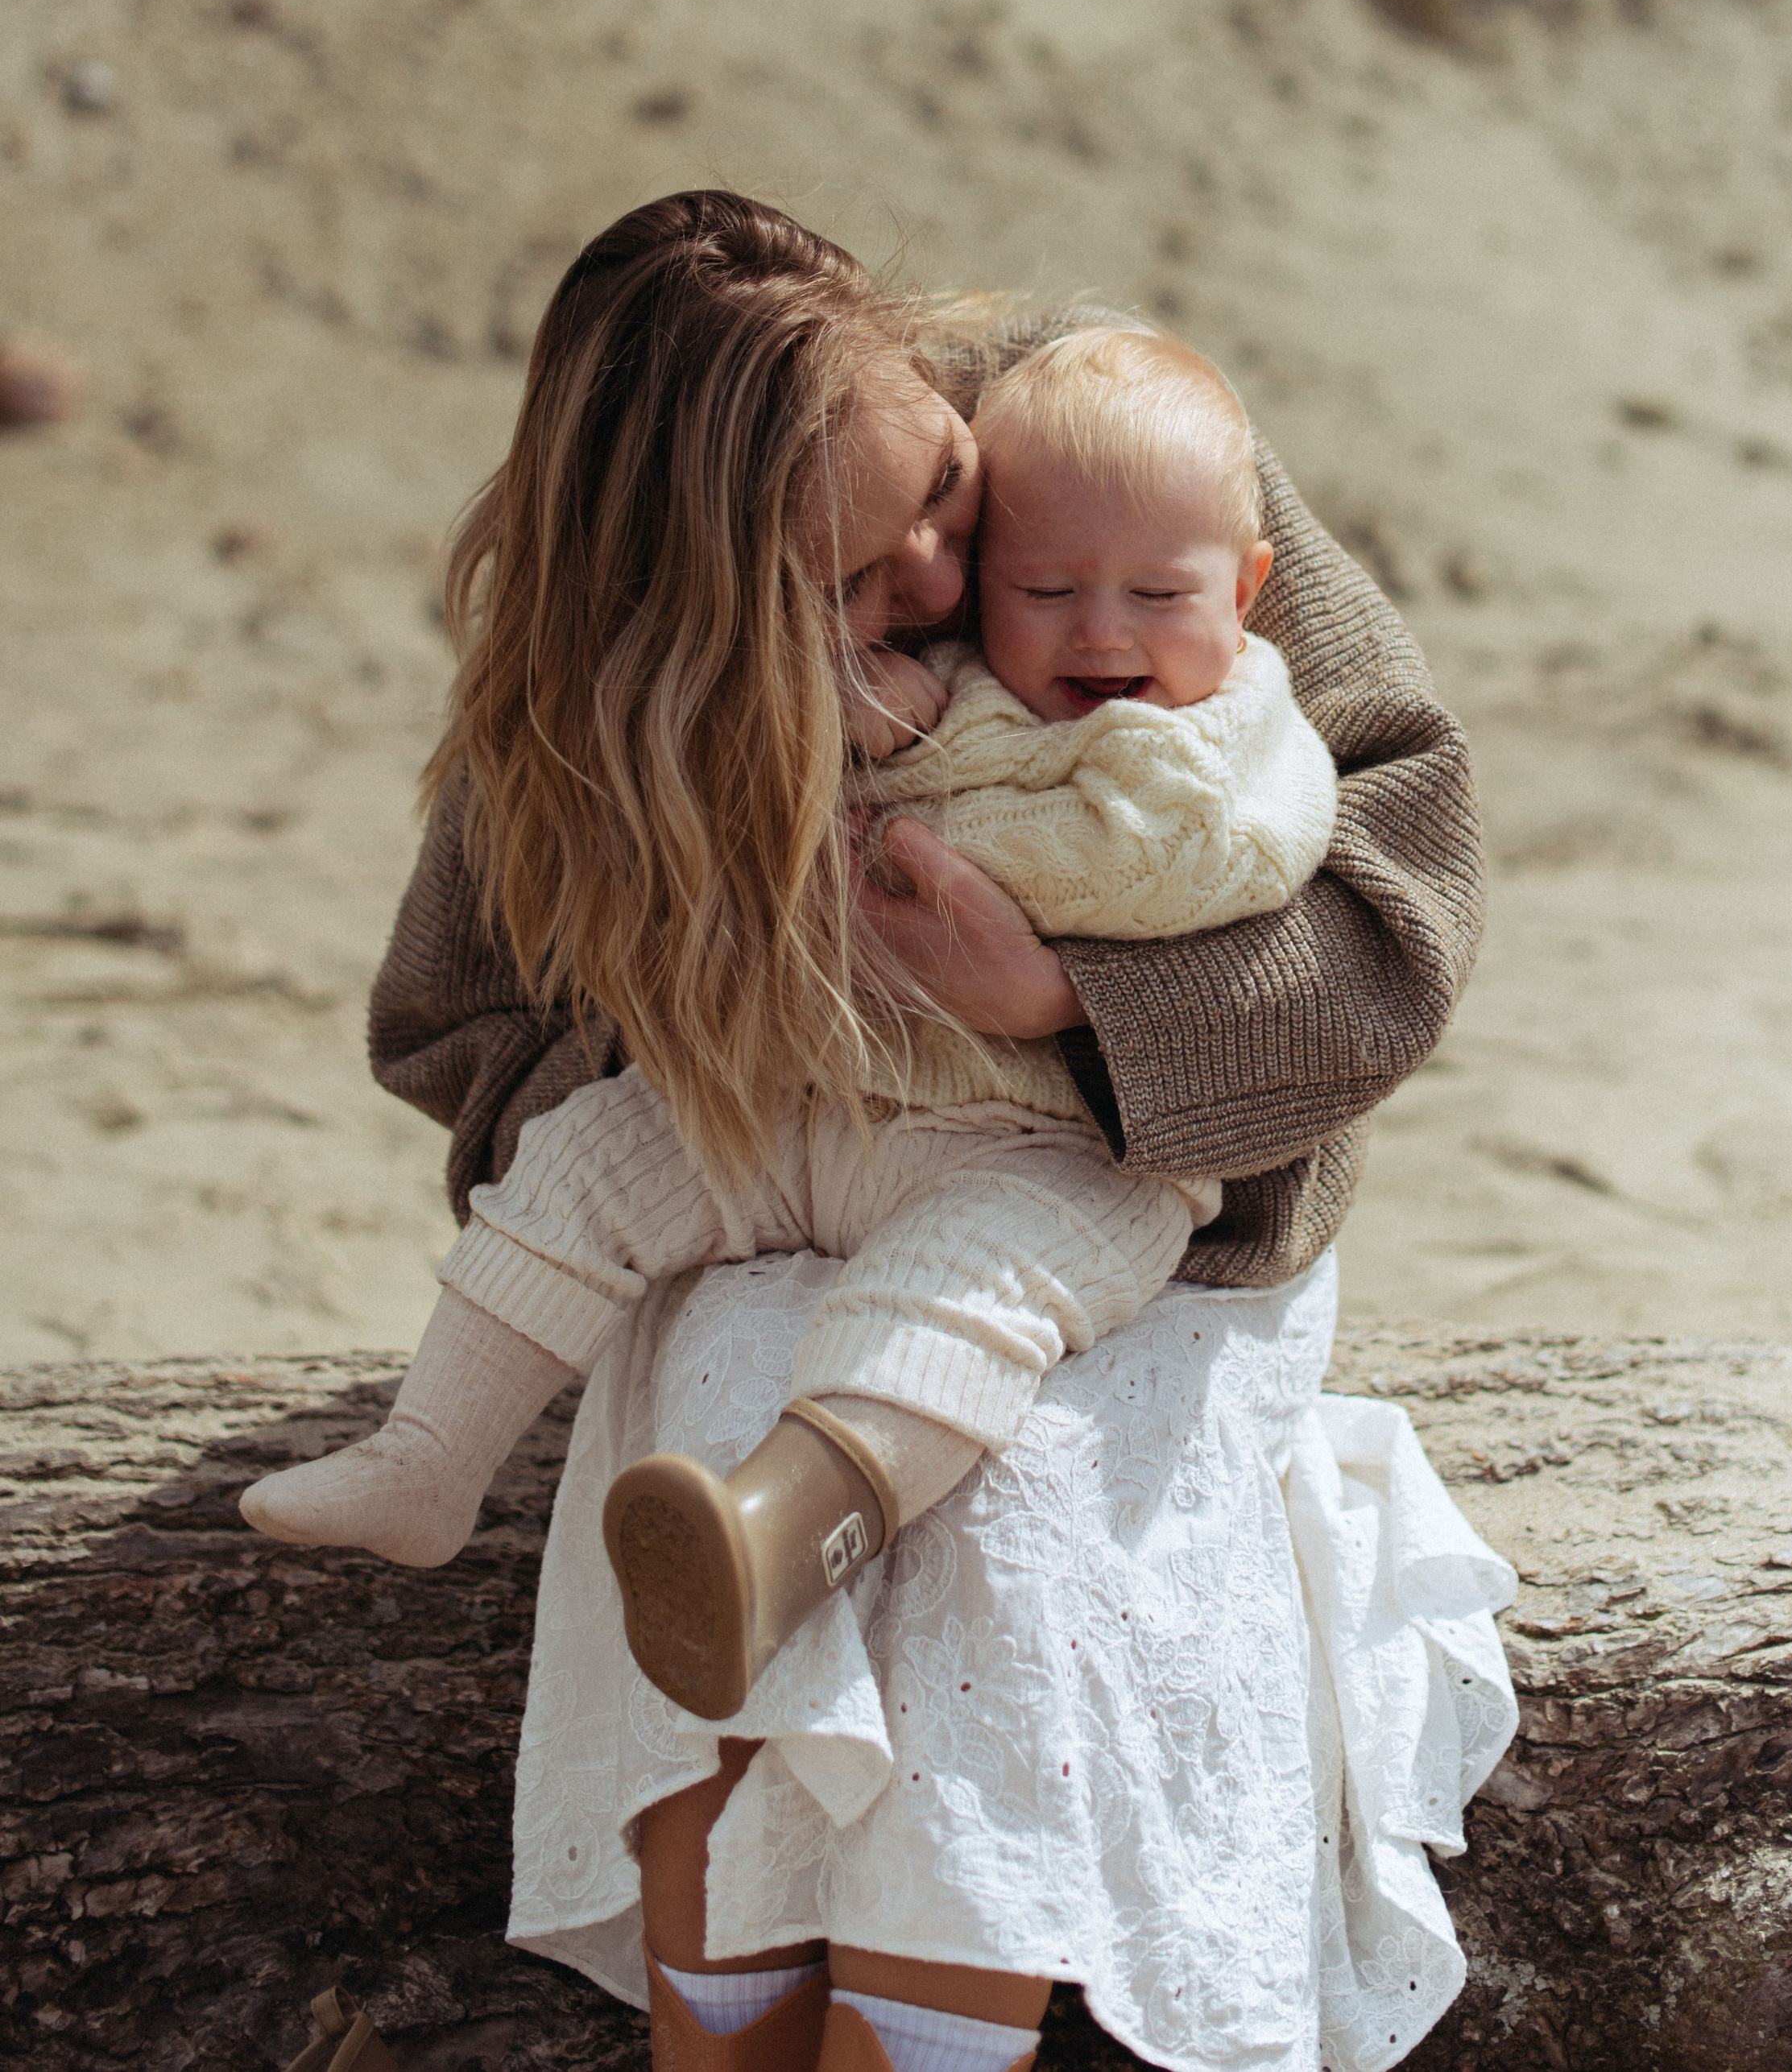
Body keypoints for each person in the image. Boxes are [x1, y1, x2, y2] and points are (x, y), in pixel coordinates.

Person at [298, 195, 1515, 2072]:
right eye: (861, 577)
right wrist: (750, 1047)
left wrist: (1065, 1008)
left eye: (941, 490)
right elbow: (459, 1021)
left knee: (1014, 1522)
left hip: (1128, 1186)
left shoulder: (1096, 436)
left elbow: (1402, 867)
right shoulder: (600, 670)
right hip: (760, 1191)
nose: (951, 570)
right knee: (719, 1421)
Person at [242, 321, 1341, 1730]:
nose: (1101, 633)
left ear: (1245, 591)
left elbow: (1187, 858)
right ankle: (427, 1457)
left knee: (958, 1302)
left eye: (1155, 595)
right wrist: (837, 724)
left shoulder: (1232, 732)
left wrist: (946, 860)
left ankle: (781, 1533)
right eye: (1046, 588)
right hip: (820, 1111)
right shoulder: (967, 676)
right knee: (595, 1155)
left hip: (1045, 1153)